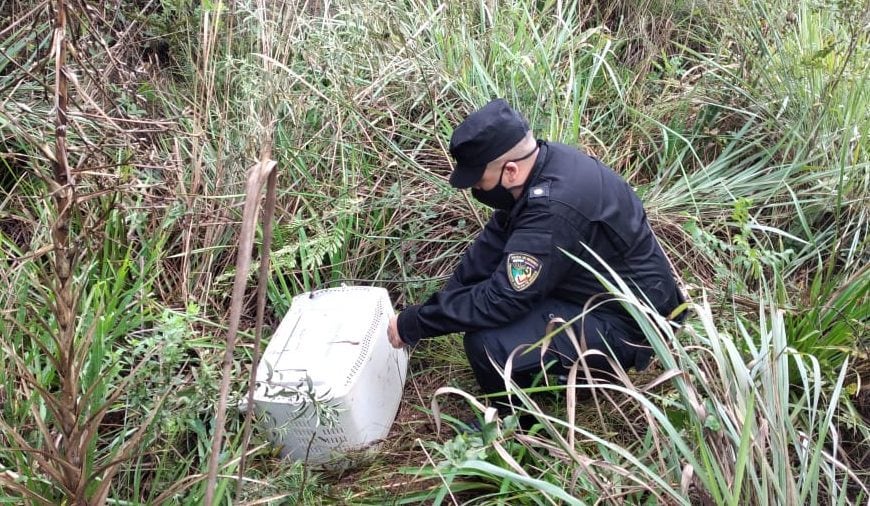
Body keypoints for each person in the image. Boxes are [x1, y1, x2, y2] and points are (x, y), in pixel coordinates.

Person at [387, 99, 684, 417]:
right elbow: (491, 244)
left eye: (478, 179)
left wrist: (416, 324)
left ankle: (513, 426)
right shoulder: (544, 165)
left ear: (510, 171)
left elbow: (501, 300)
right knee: (488, 295)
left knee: (488, 344)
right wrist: (443, 302)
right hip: (596, 292)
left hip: (629, 325)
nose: (475, 187)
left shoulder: (553, 209)